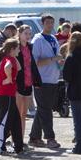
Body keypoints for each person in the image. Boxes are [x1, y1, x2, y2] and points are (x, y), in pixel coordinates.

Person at [29, 14, 63, 149]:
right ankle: (50, 138)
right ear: (43, 24)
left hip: (53, 79)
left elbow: (56, 57)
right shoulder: (38, 40)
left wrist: (59, 61)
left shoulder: (53, 38)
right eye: (48, 22)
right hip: (41, 80)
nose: (50, 25)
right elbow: (35, 62)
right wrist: (53, 59)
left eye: (52, 22)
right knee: (46, 110)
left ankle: (34, 137)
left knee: (43, 109)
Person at [0, 39, 24, 155]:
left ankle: (18, 147)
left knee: (16, 121)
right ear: (12, 49)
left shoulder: (10, 58)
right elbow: (7, 67)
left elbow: (19, 68)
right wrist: (9, 78)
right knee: (4, 122)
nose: (19, 50)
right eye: (17, 48)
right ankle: (1, 147)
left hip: (10, 94)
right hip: (6, 94)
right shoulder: (8, 59)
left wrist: (14, 55)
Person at [16, 25, 42, 138]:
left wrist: (37, 81)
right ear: (20, 34)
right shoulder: (15, 47)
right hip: (17, 83)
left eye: (29, 34)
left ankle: (21, 138)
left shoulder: (30, 47)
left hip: (28, 82)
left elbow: (32, 65)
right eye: (25, 33)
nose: (28, 36)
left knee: (23, 114)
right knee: (16, 113)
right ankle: (15, 138)